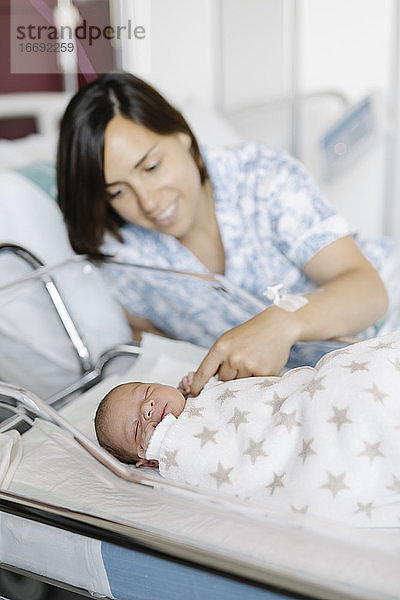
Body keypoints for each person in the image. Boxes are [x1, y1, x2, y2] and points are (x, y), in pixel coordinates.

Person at [57, 71, 400, 396]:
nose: (148, 202)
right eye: (118, 191)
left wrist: (281, 323)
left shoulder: (261, 178)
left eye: (151, 167)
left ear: (182, 136)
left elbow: (368, 291)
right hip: (319, 386)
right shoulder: (125, 257)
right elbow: (156, 350)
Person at [95, 331, 400, 527]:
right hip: (310, 433)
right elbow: (229, 463)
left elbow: (263, 389)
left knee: (360, 371)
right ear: (146, 461)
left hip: (314, 392)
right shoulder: (178, 448)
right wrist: (164, 444)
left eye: (147, 392)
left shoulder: (203, 389)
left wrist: (207, 383)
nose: (148, 410)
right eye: (137, 428)